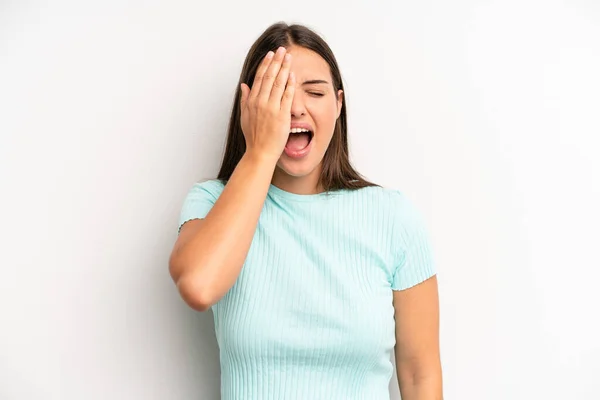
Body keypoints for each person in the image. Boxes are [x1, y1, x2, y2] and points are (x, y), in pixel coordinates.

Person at [169, 22, 442, 400]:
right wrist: (261, 151)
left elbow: (420, 376)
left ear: (338, 105)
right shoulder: (212, 203)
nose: (295, 108)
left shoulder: (393, 218)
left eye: (314, 92)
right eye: (277, 95)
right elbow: (198, 286)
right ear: (250, 107)